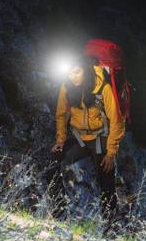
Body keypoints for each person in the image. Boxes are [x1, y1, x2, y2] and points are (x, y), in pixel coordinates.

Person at [51, 56, 125, 221]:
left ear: (85, 70)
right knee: (54, 160)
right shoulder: (66, 87)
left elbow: (117, 121)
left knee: (106, 178)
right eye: (70, 73)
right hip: (80, 138)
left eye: (77, 72)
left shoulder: (102, 88)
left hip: (100, 139)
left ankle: (111, 222)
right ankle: (58, 210)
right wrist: (60, 140)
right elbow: (61, 114)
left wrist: (111, 153)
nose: (73, 77)